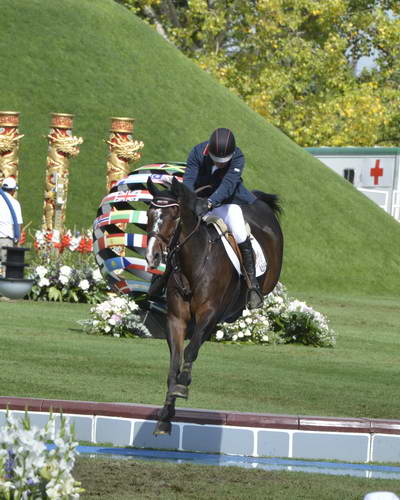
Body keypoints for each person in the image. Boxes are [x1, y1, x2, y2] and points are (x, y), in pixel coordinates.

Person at [183, 127, 263, 309]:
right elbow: (189, 179)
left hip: (227, 203)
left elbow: (228, 184)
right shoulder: (197, 152)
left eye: (223, 161)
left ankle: (252, 286)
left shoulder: (237, 157)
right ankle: (161, 277)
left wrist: (210, 202)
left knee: (239, 231)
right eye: (216, 160)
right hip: (199, 201)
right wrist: (191, 200)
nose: (219, 164)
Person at [0, 177, 23, 277]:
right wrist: (17, 240)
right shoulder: (14, 203)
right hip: (6, 240)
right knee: (6, 270)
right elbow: (18, 224)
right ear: (13, 190)